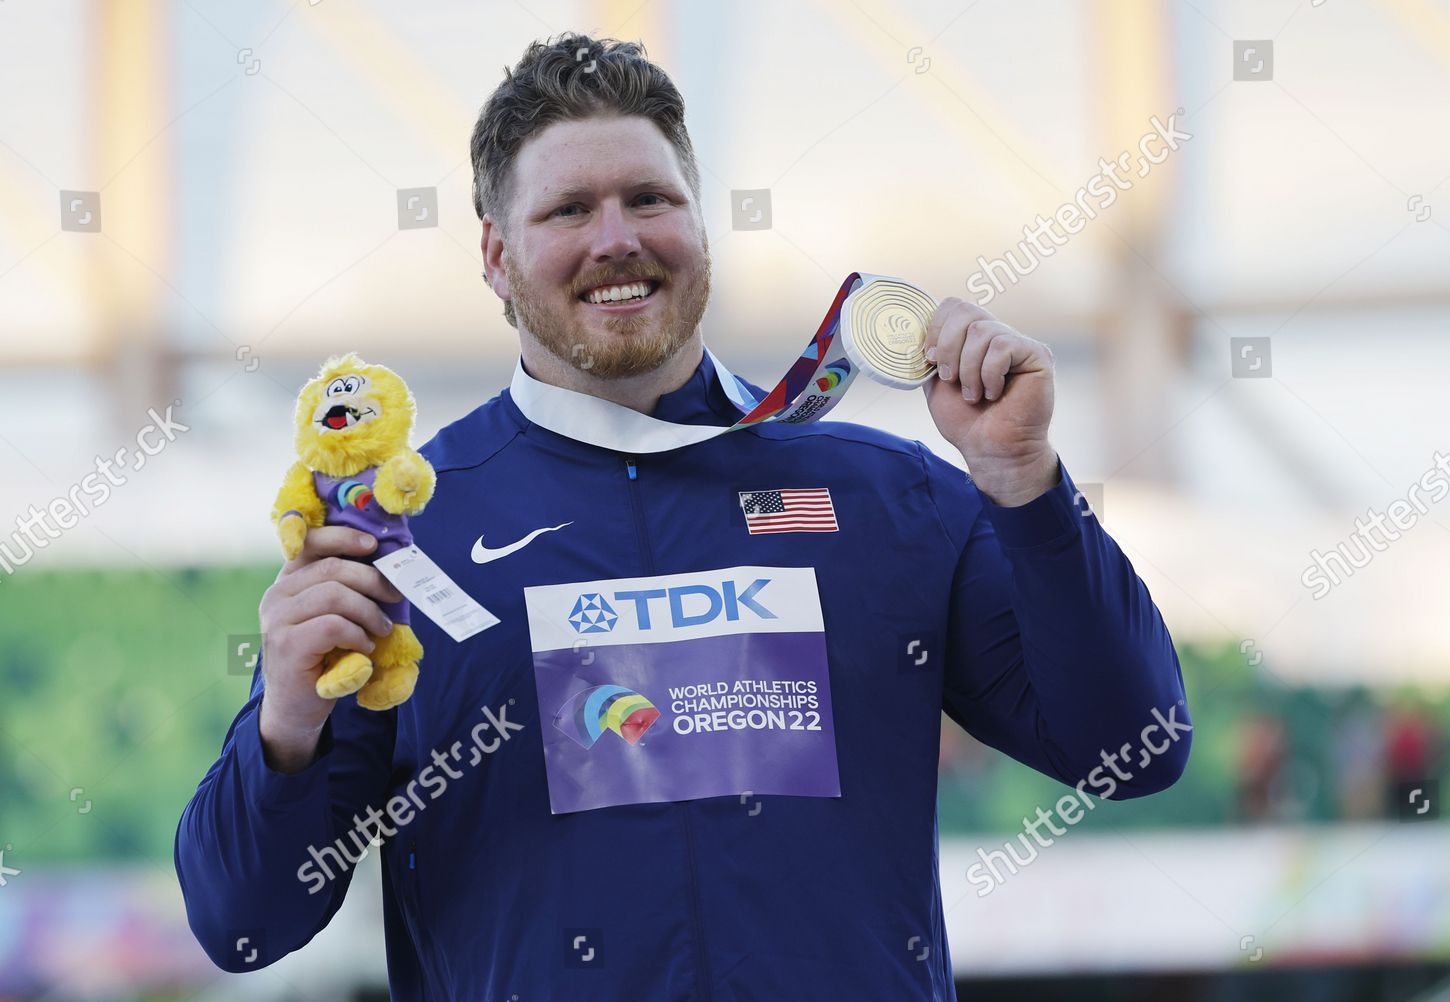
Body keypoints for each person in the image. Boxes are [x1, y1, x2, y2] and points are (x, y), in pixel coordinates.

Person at [175, 32, 1192, 1001]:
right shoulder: (404, 538)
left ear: (701, 224)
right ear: (494, 254)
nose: (617, 238)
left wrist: (1026, 483)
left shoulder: (891, 496)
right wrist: (288, 728)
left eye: (650, 198)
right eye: (568, 209)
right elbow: (242, 921)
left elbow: (1138, 748)